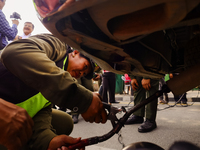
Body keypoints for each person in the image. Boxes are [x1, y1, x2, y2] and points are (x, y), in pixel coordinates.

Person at [0, 34, 107, 150]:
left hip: (15, 110)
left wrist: (50, 141)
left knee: (64, 121)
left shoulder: (55, 86)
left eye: (84, 74)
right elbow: (13, 53)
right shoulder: (59, 46)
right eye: (85, 66)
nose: (82, 73)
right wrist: (83, 100)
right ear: (75, 53)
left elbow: (41, 116)